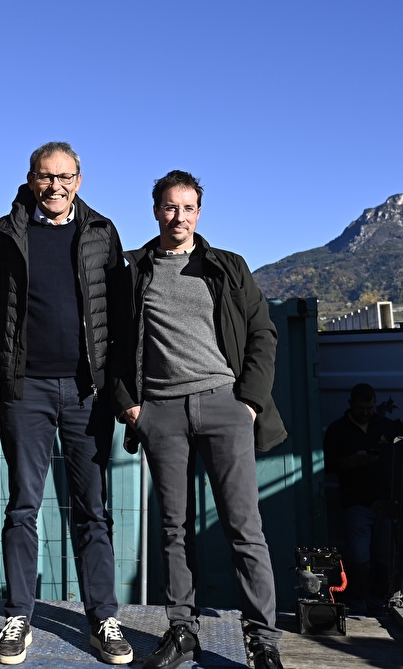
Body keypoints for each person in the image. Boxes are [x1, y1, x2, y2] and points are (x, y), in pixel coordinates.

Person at [115, 170, 287, 669]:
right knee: (174, 527)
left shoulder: (226, 266)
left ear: (199, 212)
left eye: (188, 208)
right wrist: (131, 407)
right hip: (161, 413)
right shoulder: (133, 269)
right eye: (170, 207)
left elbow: (262, 334)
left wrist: (249, 402)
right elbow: (110, 343)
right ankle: (182, 630)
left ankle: (262, 639)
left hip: (224, 406)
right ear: (156, 210)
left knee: (243, 527)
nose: (179, 217)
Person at [0, 141, 132, 666]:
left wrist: (116, 388)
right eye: (46, 177)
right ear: (30, 179)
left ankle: (103, 619)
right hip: (27, 391)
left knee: (93, 511)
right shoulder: (6, 234)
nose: (55, 186)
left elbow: (121, 315)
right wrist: (6, 373)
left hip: (86, 394)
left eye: (65, 177)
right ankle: (18, 616)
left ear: (80, 179)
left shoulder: (102, 234)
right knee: (23, 506)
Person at [323, 382, 403, 609]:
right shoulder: (338, 430)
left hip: (384, 503)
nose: (366, 413)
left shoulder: (385, 425)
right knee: (358, 556)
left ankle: (379, 598)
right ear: (351, 405)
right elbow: (328, 463)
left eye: (370, 408)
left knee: (384, 555)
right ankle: (357, 599)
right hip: (355, 502)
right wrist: (352, 461)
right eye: (362, 408)